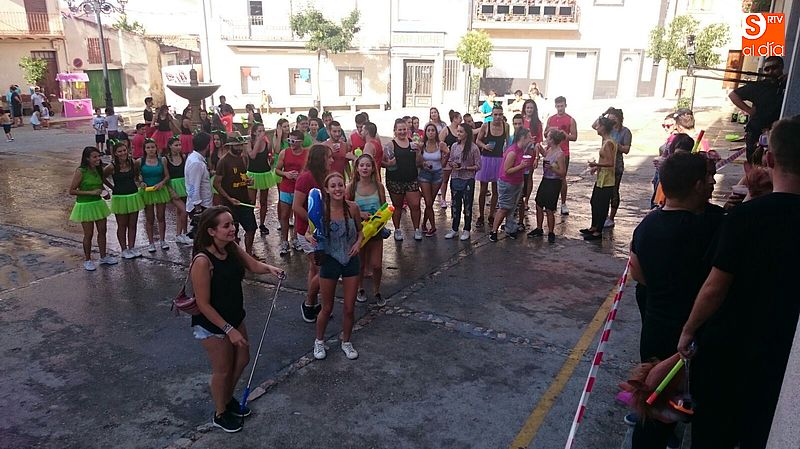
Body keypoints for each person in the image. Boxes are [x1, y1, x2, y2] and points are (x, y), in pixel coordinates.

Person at [678, 118, 800, 449]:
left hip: (731, 352)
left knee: (712, 434)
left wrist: (689, 330)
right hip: (784, 357)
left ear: (770, 160)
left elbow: (714, 286)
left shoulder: (746, 218)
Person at [627, 152, 723, 449]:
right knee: (699, 406)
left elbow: (637, 273)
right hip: (695, 334)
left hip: (656, 326)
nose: (713, 181)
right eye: (708, 177)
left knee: (654, 404)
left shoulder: (646, 227)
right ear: (697, 185)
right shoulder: (712, 225)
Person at [190, 205, 284, 433]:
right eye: (226, 226)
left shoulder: (230, 247)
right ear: (211, 231)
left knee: (242, 359)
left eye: (232, 223)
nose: (233, 228)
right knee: (222, 369)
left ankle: (226, 398)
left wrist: (270, 269)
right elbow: (203, 304)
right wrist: (228, 330)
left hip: (234, 315)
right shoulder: (202, 261)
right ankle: (220, 413)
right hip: (213, 324)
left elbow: (252, 265)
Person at [305, 172, 363, 360]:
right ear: (327, 190)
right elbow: (307, 232)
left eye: (340, 185)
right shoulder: (320, 210)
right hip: (330, 260)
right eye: (333, 186)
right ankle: (319, 341)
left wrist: (358, 243)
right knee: (327, 307)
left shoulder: (353, 208)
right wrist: (311, 238)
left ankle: (346, 341)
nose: (338, 189)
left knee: (349, 307)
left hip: (350, 260)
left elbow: (361, 232)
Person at [293, 145, 334, 323]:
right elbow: (296, 206)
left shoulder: (323, 176)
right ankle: (308, 303)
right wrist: (315, 224)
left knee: (314, 268)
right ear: (320, 159)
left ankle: (314, 303)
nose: (332, 160)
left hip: (320, 231)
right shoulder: (306, 178)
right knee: (323, 269)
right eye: (329, 157)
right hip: (308, 232)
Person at [728, 56, 786, 165]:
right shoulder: (759, 86)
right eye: (767, 69)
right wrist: (749, 110)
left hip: (778, 133)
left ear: (781, 67)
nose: (770, 72)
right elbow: (733, 95)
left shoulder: (786, 84)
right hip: (756, 132)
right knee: (754, 165)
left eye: (774, 68)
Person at [68, 146, 117, 271]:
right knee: (88, 234)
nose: (98, 159)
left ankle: (103, 257)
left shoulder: (98, 169)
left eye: (99, 156)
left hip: (98, 203)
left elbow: (101, 183)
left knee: (102, 231)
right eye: (95, 157)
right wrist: (91, 192)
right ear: (87, 158)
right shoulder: (81, 171)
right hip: (85, 205)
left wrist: (106, 192)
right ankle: (88, 260)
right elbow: (72, 191)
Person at [347, 154, 387, 306]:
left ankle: (377, 290)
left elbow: (384, 207)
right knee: (360, 264)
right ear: (357, 168)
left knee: (377, 265)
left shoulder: (379, 186)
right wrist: (360, 213)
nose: (365, 168)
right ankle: (360, 288)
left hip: (375, 231)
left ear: (373, 168)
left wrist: (381, 219)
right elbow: (345, 208)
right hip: (358, 232)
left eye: (368, 165)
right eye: (362, 165)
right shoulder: (351, 187)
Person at [214, 136, 257, 257]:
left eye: (241, 145)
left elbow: (242, 175)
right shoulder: (223, 161)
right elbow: (216, 184)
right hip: (230, 204)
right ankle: (235, 256)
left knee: (251, 229)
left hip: (244, 200)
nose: (240, 148)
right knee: (232, 231)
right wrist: (229, 198)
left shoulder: (243, 158)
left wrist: (248, 180)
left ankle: (249, 254)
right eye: (237, 145)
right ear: (230, 146)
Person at [489, 128, 533, 242]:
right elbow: (507, 170)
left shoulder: (521, 149)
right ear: (523, 138)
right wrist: (521, 166)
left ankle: (510, 228)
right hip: (507, 183)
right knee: (504, 208)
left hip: (517, 182)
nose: (530, 139)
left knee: (512, 207)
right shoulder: (513, 152)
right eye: (529, 137)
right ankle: (493, 231)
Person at [103, 140, 144, 259]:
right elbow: (102, 178)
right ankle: (124, 249)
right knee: (122, 225)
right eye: (119, 151)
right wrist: (111, 188)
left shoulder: (133, 163)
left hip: (133, 195)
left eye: (124, 150)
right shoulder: (111, 167)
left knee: (133, 224)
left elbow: (137, 176)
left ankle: (132, 247)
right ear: (115, 153)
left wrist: (139, 182)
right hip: (119, 197)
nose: (123, 153)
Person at [591, 108, 632, 228]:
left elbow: (626, 149)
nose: (611, 121)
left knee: (611, 194)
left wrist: (615, 145)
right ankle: (596, 225)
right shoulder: (607, 134)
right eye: (609, 119)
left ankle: (608, 219)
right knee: (597, 199)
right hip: (603, 168)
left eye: (613, 119)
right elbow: (595, 125)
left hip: (615, 166)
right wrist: (603, 113)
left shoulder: (623, 132)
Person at [384, 118, 423, 241]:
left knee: (415, 205)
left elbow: (418, 163)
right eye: (399, 130)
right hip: (395, 180)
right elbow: (383, 162)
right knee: (398, 206)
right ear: (395, 131)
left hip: (411, 178)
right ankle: (397, 229)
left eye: (404, 129)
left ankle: (417, 229)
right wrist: (389, 163)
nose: (402, 132)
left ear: (407, 130)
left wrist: (418, 152)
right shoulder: (390, 145)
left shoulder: (412, 143)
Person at [581, 117, 617, 241]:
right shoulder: (606, 141)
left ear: (604, 128)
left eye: (599, 126)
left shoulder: (608, 143)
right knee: (594, 202)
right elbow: (605, 160)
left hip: (607, 180)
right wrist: (597, 167)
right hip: (602, 178)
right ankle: (594, 226)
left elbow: (611, 163)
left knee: (601, 205)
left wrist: (596, 164)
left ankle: (598, 231)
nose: (597, 128)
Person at [529, 129, 567, 243]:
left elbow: (563, 173)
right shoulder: (550, 149)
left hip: (554, 182)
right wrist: (538, 150)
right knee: (539, 204)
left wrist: (552, 168)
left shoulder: (560, 154)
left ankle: (551, 231)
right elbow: (545, 154)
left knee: (550, 208)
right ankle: (539, 228)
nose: (546, 139)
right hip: (545, 179)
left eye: (548, 138)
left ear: (553, 140)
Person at [445, 123, 481, 241]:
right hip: (455, 177)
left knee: (468, 205)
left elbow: (478, 165)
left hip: (468, 179)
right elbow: (450, 160)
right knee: (455, 205)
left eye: (461, 131)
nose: (458, 133)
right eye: (458, 131)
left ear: (467, 133)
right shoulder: (454, 146)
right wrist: (452, 164)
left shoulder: (474, 148)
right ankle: (454, 229)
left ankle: (466, 229)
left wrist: (465, 168)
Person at [276, 130, 309, 255]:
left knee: (298, 215)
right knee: (284, 215)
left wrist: (301, 176)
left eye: (293, 141)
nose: (291, 143)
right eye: (289, 140)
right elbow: (277, 170)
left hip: (299, 189)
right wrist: (286, 174)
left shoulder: (307, 154)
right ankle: (284, 241)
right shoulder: (284, 152)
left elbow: (309, 170)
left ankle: (295, 239)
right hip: (286, 188)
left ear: (301, 142)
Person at [475, 105, 507, 230]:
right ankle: (481, 215)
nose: (498, 117)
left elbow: (508, 142)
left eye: (500, 114)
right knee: (483, 189)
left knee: (496, 190)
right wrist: (484, 146)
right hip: (486, 159)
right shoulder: (486, 126)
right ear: (492, 115)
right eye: (496, 114)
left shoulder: (506, 126)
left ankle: (491, 215)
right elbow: (478, 140)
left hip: (499, 159)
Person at [546, 96, 578, 215]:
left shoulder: (570, 120)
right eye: (558, 106)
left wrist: (565, 135)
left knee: (562, 177)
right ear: (555, 106)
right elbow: (545, 133)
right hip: (550, 151)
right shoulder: (551, 119)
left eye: (562, 106)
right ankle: (550, 201)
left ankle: (563, 203)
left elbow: (574, 137)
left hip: (563, 152)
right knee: (548, 177)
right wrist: (549, 130)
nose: (560, 108)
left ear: (565, 105)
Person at [140, 138, 172, 252]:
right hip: (147, 191)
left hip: (160, 190)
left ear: (156, 148)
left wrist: (162, 183)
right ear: (144, 149)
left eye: (152, 147)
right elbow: (137, 176)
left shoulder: (162, 160)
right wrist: (141, 182)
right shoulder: (140, 161)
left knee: (161, 216)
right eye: (148, 147)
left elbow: (167, 176)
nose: (150, 150)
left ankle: (163, 240)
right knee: (149, 218)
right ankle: (151, 243)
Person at [417, 123, 448, 236]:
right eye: (428, 130)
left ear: (436, 132)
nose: (430, 132)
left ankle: (424, 224)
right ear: (425, 133)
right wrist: (423, 163)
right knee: (428, 201)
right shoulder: (422, 145)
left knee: (430, 202)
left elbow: (445, 160)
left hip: (437, 174)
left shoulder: (440, 145)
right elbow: (418, 162)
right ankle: (433, 227)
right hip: (425, 175)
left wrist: (446, 157)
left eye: (433, 130)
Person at [246, 123, 275, 237]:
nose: (262, 133)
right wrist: (258, 140)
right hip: (252, 173)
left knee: (264, 201)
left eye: (263, 130)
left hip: (264, 173)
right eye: (259, 131)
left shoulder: (267, 143)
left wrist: (271, 159)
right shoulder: (250, 143)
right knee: (251, 201)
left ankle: (262, 224)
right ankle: (250, 223)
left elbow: (269, 156)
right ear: (254, 132)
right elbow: (252, 156)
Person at [185, 132, 214, 238]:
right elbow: (194, 187)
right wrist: (198, 210)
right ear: (207, 146)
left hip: (203, 205)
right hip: (201, 207)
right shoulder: (196, 163)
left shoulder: (195, 159)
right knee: (203, 238)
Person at [520, 100, 544, 224]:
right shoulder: (521, 121)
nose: (529, 110)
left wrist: (537, 157)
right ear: (524, 109)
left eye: (531, 108)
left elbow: (539, 140)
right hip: (520, 150)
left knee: (529, 176)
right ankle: (518, 199)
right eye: (527, 107)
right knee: (519, 175)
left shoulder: (538, 123)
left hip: (531, 151)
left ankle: (526, 201)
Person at [165, 137, 192, 244]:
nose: (178, 147)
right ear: (170, 146)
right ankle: (182, 233)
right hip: (173, 186)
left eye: (180, 145)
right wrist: (170, 190)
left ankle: (181, 234)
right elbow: (165, 175)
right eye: (176, 145)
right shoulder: (166, 159)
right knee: (184, 210)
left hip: (183, 185)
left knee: (180, 212)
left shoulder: (183, 156)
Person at [438, 110, 461, 209]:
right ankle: (443, 199)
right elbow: (439, 142)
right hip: (447, 158)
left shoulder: (460, 130)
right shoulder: (446, 129)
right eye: (459, 118)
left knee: (455, 179)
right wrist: (444, 152)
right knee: (445, 179)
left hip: (458, 159)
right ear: (454, 119)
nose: (461, 120)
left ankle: (454, 198)